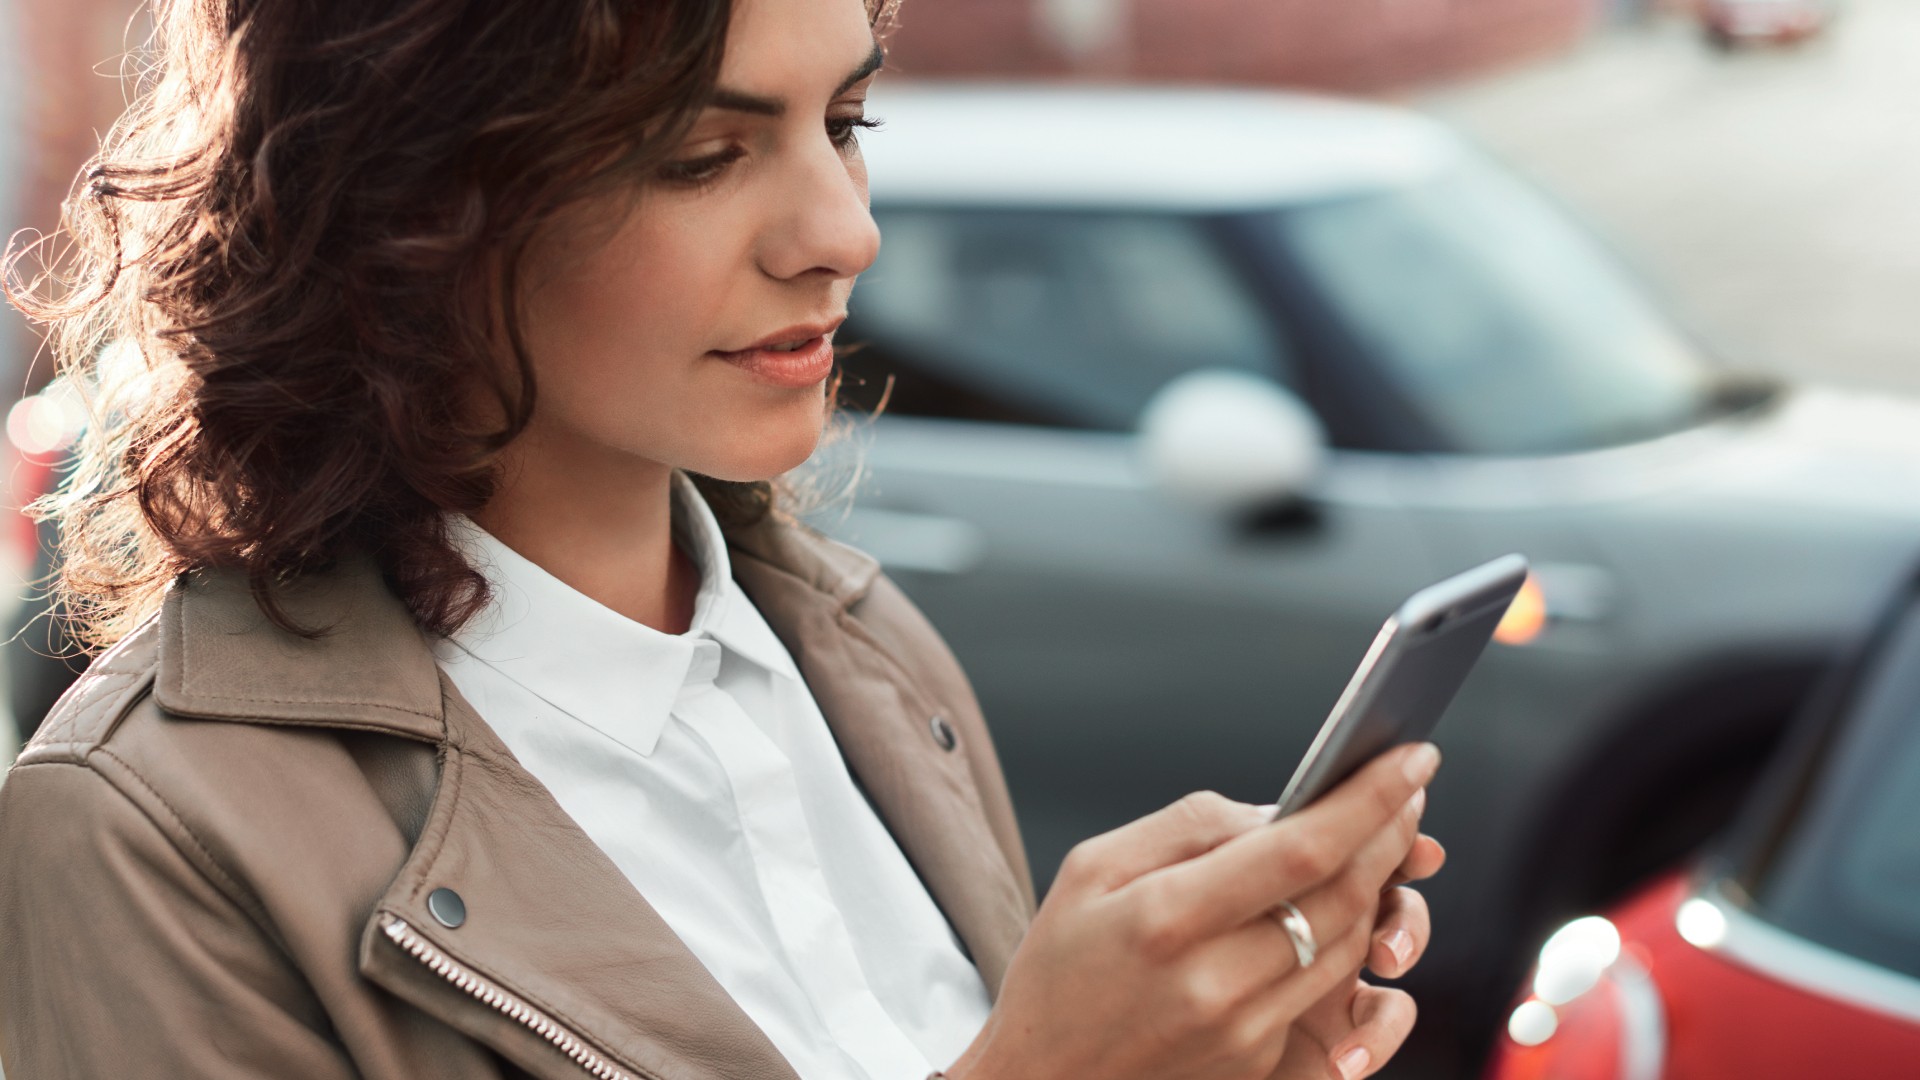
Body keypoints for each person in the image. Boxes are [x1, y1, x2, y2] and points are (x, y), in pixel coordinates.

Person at [0, 0, 1446, 1078]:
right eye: (704, 154)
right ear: (415, 204)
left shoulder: (868, 652)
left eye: (846, 124)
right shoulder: (148, 839)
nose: (843, 231)